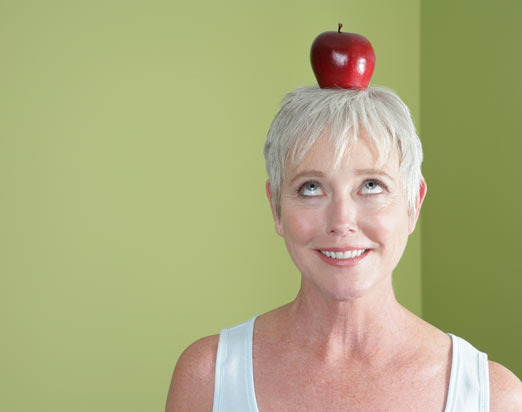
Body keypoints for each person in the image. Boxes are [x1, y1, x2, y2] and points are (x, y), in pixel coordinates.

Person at [165, 86, 522, 411]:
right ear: (276, 207)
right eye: (310, 188)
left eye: (370, 185)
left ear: (414, 203)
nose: (341, 220)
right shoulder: (207, 379)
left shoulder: (495, 397)